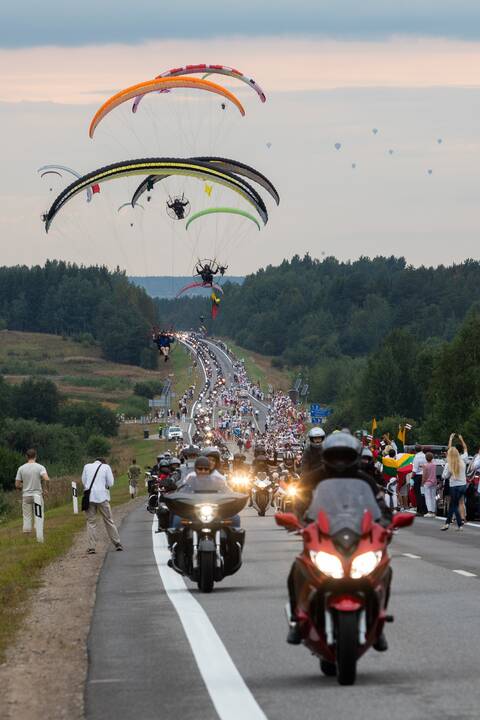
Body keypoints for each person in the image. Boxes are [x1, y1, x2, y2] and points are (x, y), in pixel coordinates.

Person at [287, 431, 390, 650]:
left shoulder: (365, 480)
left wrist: (385, 523)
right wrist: (298, 522)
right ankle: (298, 620)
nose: (340, 462)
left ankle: (378, 621)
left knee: (384, 568)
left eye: (345, 456)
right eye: (336, 456)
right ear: (327, 456)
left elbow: (380, 506)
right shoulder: (313, 478)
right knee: (297, 569)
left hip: (357, 535)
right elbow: (299, 501)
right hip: (322, 535)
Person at [82, 457, 123, 554]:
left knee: (91, 522)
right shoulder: (106, 467)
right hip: (102, 497)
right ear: (103, 462)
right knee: (108, 520)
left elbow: (84, 481)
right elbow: (110, 483)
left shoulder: (87, 466)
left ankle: (92, 547)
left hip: (90, 498)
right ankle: (117, 543)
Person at [15, 448, 49, 538]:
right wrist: (46, 489)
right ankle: (39, 533)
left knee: (26, 516)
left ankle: (27, 536)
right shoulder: (40, 467)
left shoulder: (21, 468)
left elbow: (17, 485)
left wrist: (24, 485)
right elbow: (47, 478)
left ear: (26, 456)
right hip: (37, 494)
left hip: (26, 496)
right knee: (39, 514)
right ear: (35, 456)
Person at [441, 447, 467, 531]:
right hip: (463, 485)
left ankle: (459, 524)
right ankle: (447, 523)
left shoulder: (450, 464)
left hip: (454, 486)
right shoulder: (462, 462)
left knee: (454, 505)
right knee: (454, 504)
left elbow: (445, 476)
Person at [412, 444, 427, 516]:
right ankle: (425, 509)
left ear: (415, 450)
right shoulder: (425, 456)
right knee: (424, 493)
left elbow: (414, 469)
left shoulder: (416, 457)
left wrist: (412, 478)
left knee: (418, 494)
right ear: (421, 449)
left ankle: (420, 510)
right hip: (425, 475)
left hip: (418, 476)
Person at [422, 451, 437, 517]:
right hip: (434, 482)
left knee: (428, 497)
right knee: (433, 497)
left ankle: (429, 511)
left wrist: (422, 482)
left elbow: (424, 475)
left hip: (427, 482)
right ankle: (433, 512)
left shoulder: (425, 465)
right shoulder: (434, 465)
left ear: (426, 458)